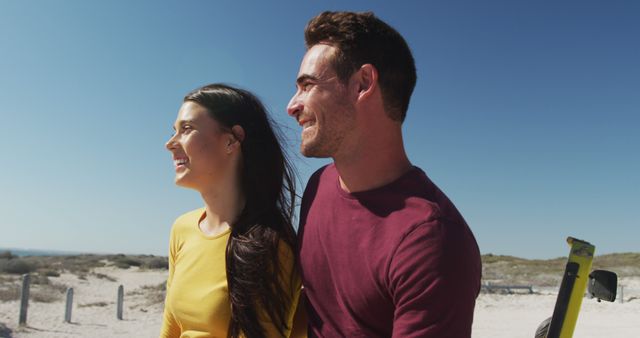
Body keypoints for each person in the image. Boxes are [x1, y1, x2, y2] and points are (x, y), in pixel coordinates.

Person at [287, 11, 482, 337]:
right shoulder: (317, 186)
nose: (292, 105)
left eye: (307, 85)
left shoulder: (432, 241)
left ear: (363, 84)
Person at [162, 84, 302, 338]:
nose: (170, 144)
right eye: (175, 131)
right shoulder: (182, 229)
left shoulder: (270, 244)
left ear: (231, 141)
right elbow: (171, 328)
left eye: (186, 129)